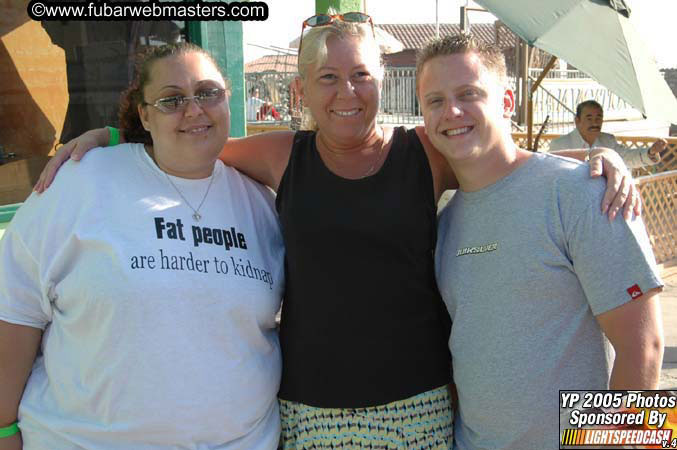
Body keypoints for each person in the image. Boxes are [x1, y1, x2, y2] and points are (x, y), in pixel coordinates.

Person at [34, 13, 639, 449]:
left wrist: (599, 163)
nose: (346, 93)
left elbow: (645, 344)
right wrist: (111, 139)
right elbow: (196, 137)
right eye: (327, 78)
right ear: (300, 91)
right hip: (312, 411)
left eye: (361, 77)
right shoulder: (280, 156)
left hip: (423, 409)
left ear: (380, 82)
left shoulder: (434, 153)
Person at [0, 43, 285, 449]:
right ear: (144, 115)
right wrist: (3, 429)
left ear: (227, 98)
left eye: (208, 93)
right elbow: (14, 311)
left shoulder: (261, 202)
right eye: (172, 100)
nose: (194, 110)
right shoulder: (82, 181)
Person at [417, 34, 664, 449]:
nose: (452, 111)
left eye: (469, 93)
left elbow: (645, 347)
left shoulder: (582, 193)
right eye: (435, 100)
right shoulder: (443, 222)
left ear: (508, 102)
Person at [548, 99, 667, 168]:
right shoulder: (559, 145)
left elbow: (627, 157)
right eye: (589, 118)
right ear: (577, 121)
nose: (595, 122)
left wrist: (650, 152)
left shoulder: (608, 141)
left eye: (598, 118)